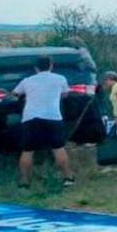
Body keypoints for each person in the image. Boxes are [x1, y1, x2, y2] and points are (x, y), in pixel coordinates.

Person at [11, 56, 75, 188]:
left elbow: (15, 94)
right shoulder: (60, 78)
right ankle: (68, 177)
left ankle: (24, 181)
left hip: (31, 118)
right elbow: (65, 94)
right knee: (58, 148)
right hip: (53, 117)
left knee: (27, 150)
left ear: (36, 68)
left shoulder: (27, 81)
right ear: (51, 65)